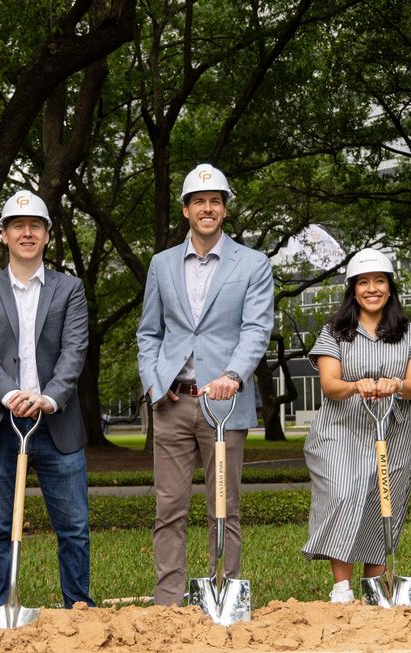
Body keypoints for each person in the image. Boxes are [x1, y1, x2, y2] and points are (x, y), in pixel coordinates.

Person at [136, 164, 274, 606]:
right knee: (169, 508)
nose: (207, 208)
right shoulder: (161, 264)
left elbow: (256, 328)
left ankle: (225, 592)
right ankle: (168, 602)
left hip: (224, 406)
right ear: (186, 210)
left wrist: (232, 377)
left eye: (215, 201)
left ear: (225, 210)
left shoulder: (253, 264)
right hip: (172, 401)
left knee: (224, 508)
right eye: (199, 201)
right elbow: (149, 334)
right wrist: (155, 386)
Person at [0, 189, 94, 608]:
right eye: (17, 226)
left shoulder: (69, 289)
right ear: (4, 235)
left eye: (34, 226)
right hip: (1, 423)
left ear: (47, 236)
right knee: (0, 526)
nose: (26, 233)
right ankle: (4, 605)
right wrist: (11, 395)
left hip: (56, 423)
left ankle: (77, 607)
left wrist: (49, 398)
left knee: (73, 525)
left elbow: (75, 351)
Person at [301, 248, 411, 603]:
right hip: (339, 430)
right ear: (352, 289)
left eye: (379, 281)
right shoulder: (334, 332)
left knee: (383, 502)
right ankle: (341, 587)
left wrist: (397, 384)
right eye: (363, 282)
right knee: (342, 492)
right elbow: (330, 384)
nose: (371, 288)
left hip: (390, 430)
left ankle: (376, 588)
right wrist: (356, 385)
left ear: (390, 288)